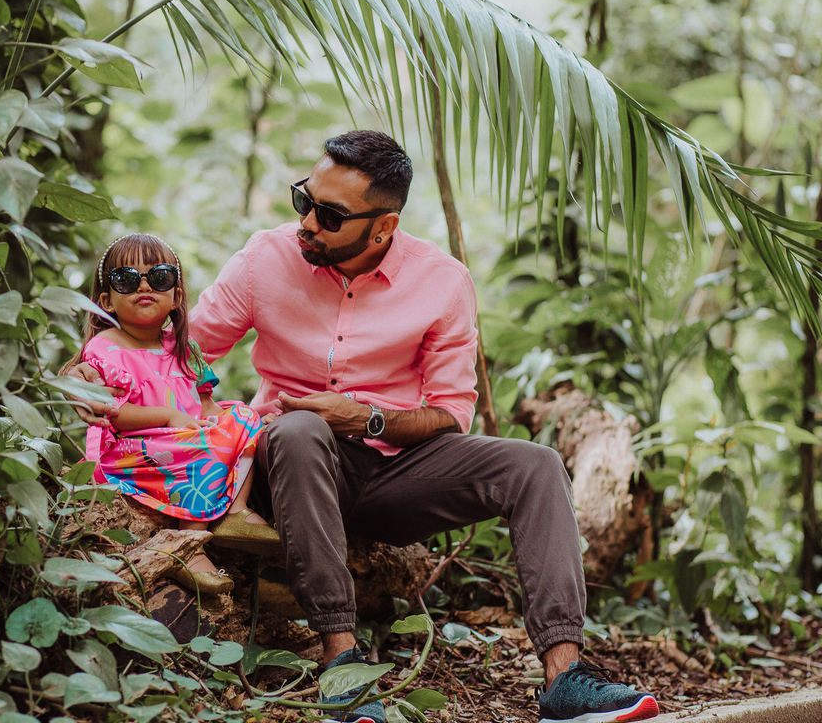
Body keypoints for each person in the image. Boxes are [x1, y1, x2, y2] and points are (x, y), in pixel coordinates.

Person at [69, 133, 659, 723]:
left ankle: (564, 676)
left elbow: (451, 412)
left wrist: (367, 417)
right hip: (289, 466)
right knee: (298, 428)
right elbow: (174, 349)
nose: (307, 223)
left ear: (382, 228)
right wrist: (89, 373)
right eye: (305, 200)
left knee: (536, 464)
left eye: (329, 216)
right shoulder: (265, 258)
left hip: (396, 468)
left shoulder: (443, 281)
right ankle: (342, 664)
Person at [68, 233, 280, 596]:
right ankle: (188, 544)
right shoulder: (106, 349)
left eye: (159, 277)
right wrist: (169, 417)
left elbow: (205, 404)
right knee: (202, 444)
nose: (144, 286)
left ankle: (236, 511)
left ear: (177, 296)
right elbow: (114, 415)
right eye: (127, 280)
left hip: (185, 439)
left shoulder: (184, 348)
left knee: (244, 416)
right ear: (107, 301)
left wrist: (216, 422)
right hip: (134, 450)